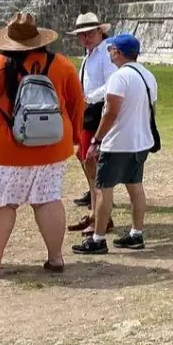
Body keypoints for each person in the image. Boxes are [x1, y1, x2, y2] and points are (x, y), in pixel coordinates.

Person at [0, 13, 85, 278]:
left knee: (3, 204)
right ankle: (55, 258)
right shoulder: (61, 65)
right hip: (52, 146)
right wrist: (77, 137)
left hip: (6, 149)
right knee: (48, 200)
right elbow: (76, 105)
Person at [73, 34, 158, 255]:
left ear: (118, 53)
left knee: (102, 190)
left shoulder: (119, 77)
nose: (109, 53)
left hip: (118, 143)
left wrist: (97, 140)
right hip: (140, 142)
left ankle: (98, 238)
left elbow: (110, 112)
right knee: (135, 188)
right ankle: (136, 233)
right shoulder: (148, 75)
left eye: (111, 50)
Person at [66, 12, 116, 236]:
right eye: (82, 35)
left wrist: (87, 99)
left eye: (90, 33)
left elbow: (111, 85)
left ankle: (100, 216)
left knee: (92, 162)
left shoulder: (105, 54)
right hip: (87, 112)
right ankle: (97, 213)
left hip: (97, 112)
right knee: (86, 160)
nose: (86, 38)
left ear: (100, 32)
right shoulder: (89, 55)